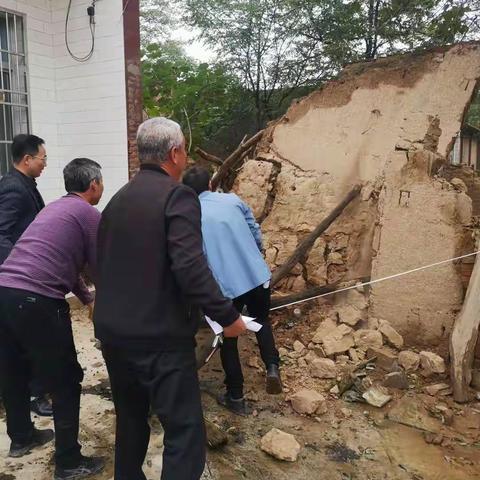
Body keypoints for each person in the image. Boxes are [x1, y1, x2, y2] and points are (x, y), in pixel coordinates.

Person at [93, 117, 246, 480]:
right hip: (158, 340)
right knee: (185, 430)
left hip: (114, 335)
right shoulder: (177, 196)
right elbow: (191, 267)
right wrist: (227, 317)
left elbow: (102, 264)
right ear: (175, 153)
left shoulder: (117, 200)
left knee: (130, 421)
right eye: (185, 150)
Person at [0, 158, 105, 480]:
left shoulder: (53, 210)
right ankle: (69, 462)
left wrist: (86, 297)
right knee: (65, 380)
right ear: (94, 185)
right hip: (38, 300)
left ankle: (21, 438)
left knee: (13, 369)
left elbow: (64, 261)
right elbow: (99, 267)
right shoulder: (89, 214)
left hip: (4, 291)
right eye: (101, 182)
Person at [183, 166, 282, 415]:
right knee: (261, 321)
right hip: (256, 275)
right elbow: (255, 231)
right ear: (209, 185)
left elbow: (197, 256)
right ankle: (272, 367)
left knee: (229, 337)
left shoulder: (189, 215)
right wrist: (253, 254)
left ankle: (236, 396)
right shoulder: (232, 200)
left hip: (226, 286)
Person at [0, 134, 52, 417]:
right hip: (20, 281)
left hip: (22, 278)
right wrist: (18, 266)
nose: (45, 164)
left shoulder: (24, 184)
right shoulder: (14, 189)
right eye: (43, 159)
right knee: (31, 340)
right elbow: (1, 233)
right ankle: (34, 395)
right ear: (27, 159)